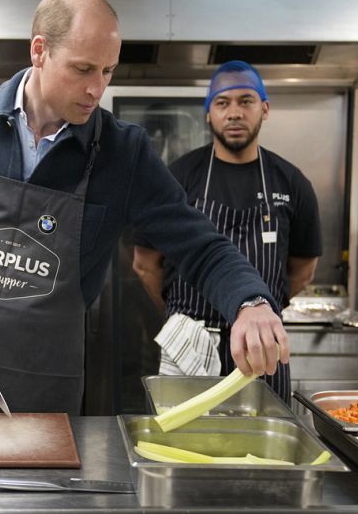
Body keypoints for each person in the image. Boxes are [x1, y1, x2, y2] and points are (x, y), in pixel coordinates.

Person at [0, 0, 290, 415]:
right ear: (39, 51)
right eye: (83, 69)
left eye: (107, 71)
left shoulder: (123, 153)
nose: (96, 89)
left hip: (42, 384)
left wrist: (250, 302)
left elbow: (201, 247)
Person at [132, 61, 322, 404]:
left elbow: (303, 271)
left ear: (265, 109)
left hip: (261, 349)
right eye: (222, 103)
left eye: (246, 101)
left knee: (263, 435)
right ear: (208, 114)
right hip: (189, 342)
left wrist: (264, 309)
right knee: (183, 435)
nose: (234, 113)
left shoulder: (292, 183)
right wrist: (180, 313)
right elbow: (145, 265)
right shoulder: (177, 177)